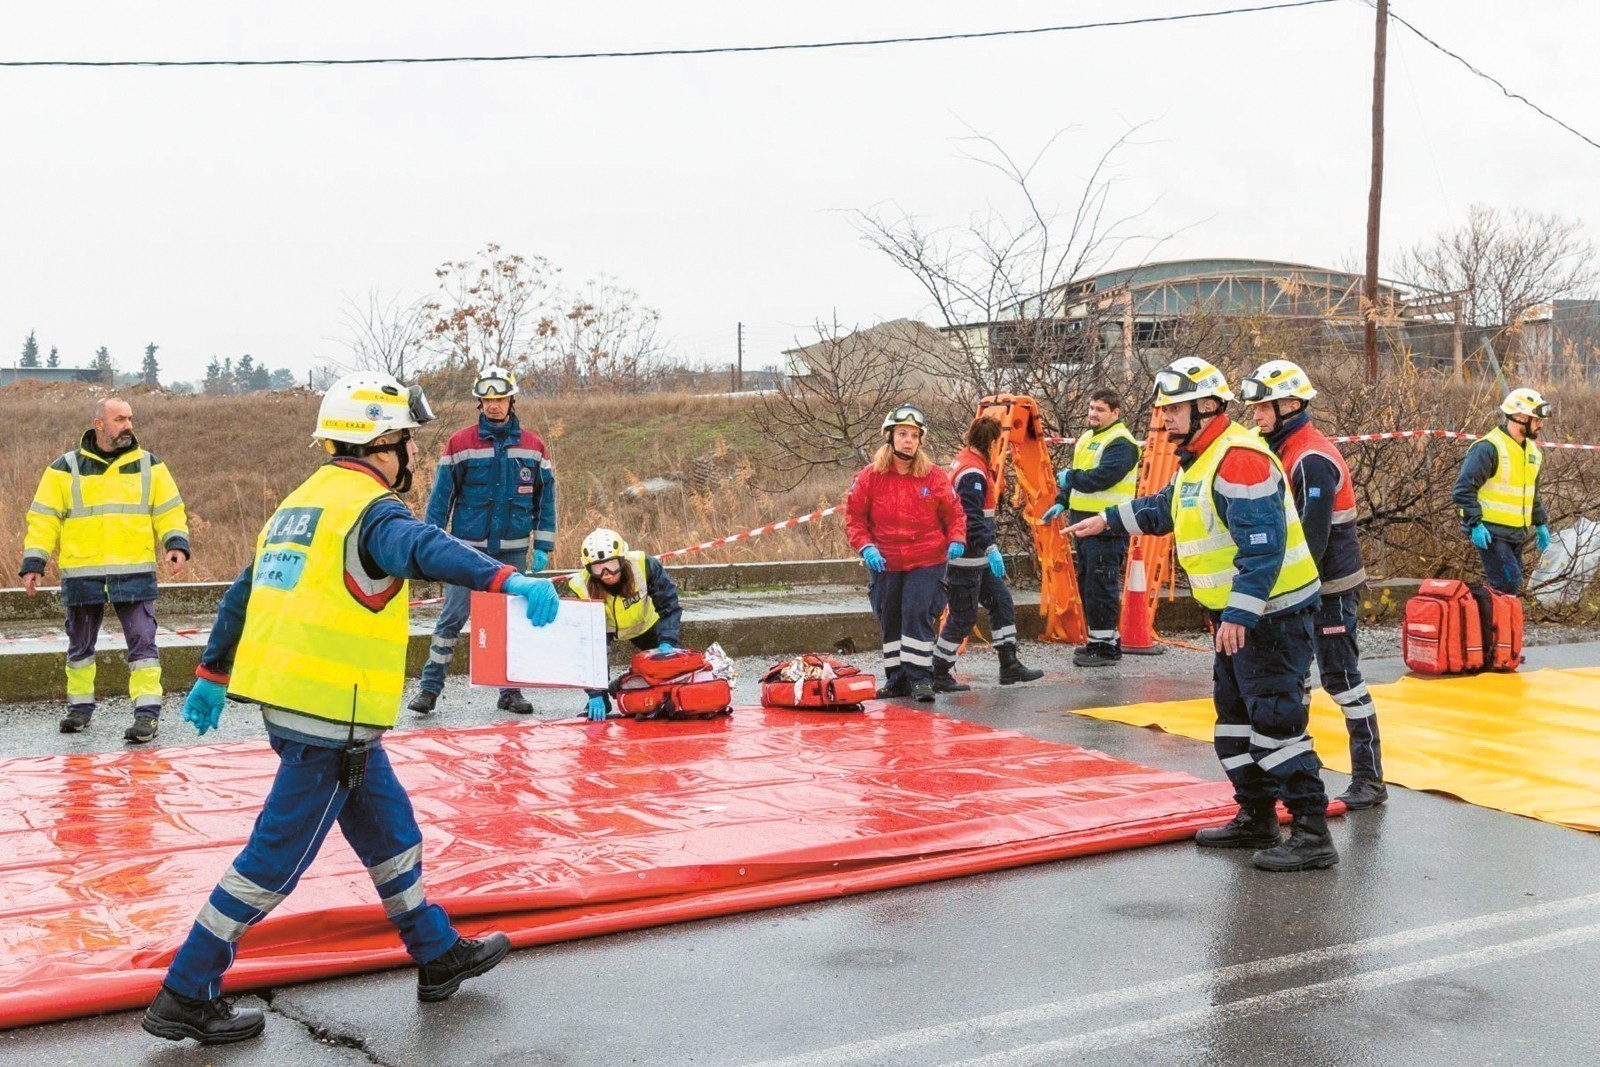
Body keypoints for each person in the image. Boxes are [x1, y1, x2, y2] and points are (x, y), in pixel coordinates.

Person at [141, 373, 560, 1045]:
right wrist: (505, 577)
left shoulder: (299, 505)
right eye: (408, 441)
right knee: (271, 862)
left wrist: (213, 671)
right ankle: (186, 989)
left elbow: (243, 594)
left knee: (392, 832)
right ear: (383, 441)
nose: (415, 454)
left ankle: (435, 952)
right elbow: (427, 547)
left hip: (312, 711)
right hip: (330, 720)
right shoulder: (374, 511)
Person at [1067, 359, 1335, 872]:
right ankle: (1256, 815)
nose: (1164, 418)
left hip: (1269, 619)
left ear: (1206, 405)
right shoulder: (1201, 458)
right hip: (1236, 619)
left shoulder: (1238, 458)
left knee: (1276, 725)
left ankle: (1311, 832)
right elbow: (1166, 508)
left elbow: (1263, 546)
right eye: (1163, 409)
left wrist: (1239, 613)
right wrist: (1107, 520)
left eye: (1173, 408)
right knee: (1233, 726)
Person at [1241, 360, 1385, 811]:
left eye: (1263, 407)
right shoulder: (1283, 448)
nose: (1257, 415)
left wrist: (1277, 590)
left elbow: (1312, 537)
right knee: (1297, 681)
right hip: (1304, 587)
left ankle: (1369, 778)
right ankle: (1298, 773)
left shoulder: (1310, 458)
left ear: (1290, 404)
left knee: (1342, 681)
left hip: (1329, 589)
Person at [21, 396, 190, 743]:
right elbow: (43, 519)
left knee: (143, 645)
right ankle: (79, 710)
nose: (128, 425)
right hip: (83, 575)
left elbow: (169, 510)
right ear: (99, 424)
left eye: (129, 418)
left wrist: (176, 544)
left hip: (135, 572)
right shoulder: (64, 468)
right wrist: (34, 563)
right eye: (119, 419)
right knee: (80, 647)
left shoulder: (149, 466)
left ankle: (147, 716)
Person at [411, 364, 557, 715]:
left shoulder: (534, 445)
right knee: (451, 619)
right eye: (486, 400)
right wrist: (431, 544)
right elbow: (441, 497)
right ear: (479, 403)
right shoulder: (459, 443)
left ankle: (510, 692)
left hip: (514, 551)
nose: (493, 405)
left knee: (511, 622)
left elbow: (545, 497)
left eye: (500, 399)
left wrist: (544, 544)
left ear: (511, 399)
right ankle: (429, 690)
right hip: (466, 551)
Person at [846, 406, 966, 703]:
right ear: (890, 437)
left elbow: (955, 513)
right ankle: (897, 679)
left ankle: (921, 679)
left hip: (927, 559)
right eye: (902, 434)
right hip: (885, 560)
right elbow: (855, 518)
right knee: (891, 617)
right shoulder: (870, 477)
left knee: (917, 614)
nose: (908, 441)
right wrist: (866, 546)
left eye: (914, 436)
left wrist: (957, 538)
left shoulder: (934, 477)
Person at [933, 415, 1043, 691]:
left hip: (976, 557)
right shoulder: (973, 473)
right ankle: (939, 669)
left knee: (1001, 602)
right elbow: (970, 517)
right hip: (968, 557)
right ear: (993, 444)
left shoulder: (967, 461)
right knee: (963, 616)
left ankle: (1009, 665)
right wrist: (991, 547)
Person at [1043, 389, 1142, 668]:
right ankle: (1101, 640)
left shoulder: (1122, 443)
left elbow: (1103, 478)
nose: (1093, 414)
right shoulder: (1088, 438)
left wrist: (1071, 477)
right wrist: (1062, 501)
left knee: (1101, 583)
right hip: (1084, 522)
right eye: (1091, 408)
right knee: (1090, 583)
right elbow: (1077, 481)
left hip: (1108, 524)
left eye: (1100, 409)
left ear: (1115, 413)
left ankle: (1105, 647)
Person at [564, 528, 683, 720]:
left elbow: (669, 605)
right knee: (596, 657)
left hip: (645, 623)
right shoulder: (580, 586)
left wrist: (667, 641)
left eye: (612, 565)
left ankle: (626, 685)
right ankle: (602, 697)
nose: (606, 574)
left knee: (672, 671)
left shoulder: (645, 565)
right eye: (597, 568)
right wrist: (594, 693)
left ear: (623, 559)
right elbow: (587, 645)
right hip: (605, 629)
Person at [1452, 388, 1550, 595]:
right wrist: (1475, 524)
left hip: (1516, 531)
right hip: (1490, 531)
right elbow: (1463, 489)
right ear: (1521, 418)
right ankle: (1487, 626)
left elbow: (1532, 492)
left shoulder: (1532, 452)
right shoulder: (1489, 448)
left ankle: (1496, 626)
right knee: (1507, 583)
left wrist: (1540, 523)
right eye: (1537, 420)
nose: (1541, 425)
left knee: (1509, 586)